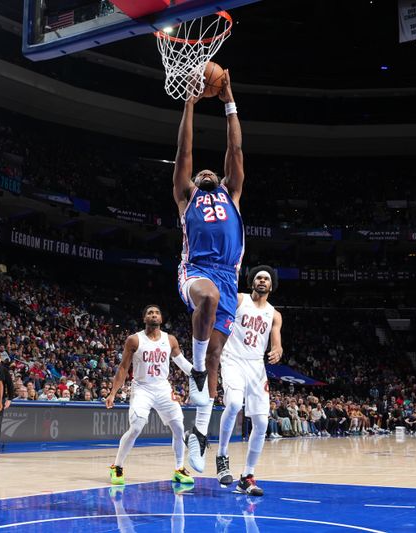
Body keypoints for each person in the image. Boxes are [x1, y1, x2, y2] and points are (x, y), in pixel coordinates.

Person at [173, 70, 246, 472]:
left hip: (229, 278)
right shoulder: (187, 197)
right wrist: (190, 103)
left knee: (217, 354)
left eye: (209, 172)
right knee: (208, 298)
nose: (204, 172)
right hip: (196, 271)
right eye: (199, 173)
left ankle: (199, 433)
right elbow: (185, 152)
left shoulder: (231, 192)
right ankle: (196, 373)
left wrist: (228, 100)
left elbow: (234, 150)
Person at [106, 305, 195, 486]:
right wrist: (113, 393)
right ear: (144, 318)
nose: (153, 315)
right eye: (150, 313)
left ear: (161, 319)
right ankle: (117, 466)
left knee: (178, 427)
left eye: (157, 313)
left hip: (162, 388)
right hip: (142, 388)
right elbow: (123, 367)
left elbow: (182, 363)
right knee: (136, 427)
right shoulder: (134, 340)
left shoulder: (170, 340)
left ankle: (179, 469)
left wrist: (197, 373)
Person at [214, 266, 282, 495]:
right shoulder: (239, 299)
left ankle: (247, 477)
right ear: (252, 281)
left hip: (256, 366)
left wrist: (278, 349)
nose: (262, 281)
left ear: (271, 285)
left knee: (262, 423)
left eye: (266, 279)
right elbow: (219, 319)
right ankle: (222, 456)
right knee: (233, 404)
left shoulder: (274, 313)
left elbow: (276, 341)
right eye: (258, 277)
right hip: (233, 358)